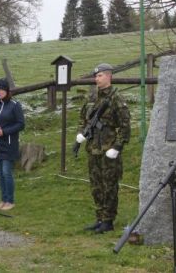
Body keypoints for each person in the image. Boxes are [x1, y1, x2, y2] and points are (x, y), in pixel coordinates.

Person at [76, 63, 131, 233]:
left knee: (109, 186)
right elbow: (83, 118)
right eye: (96, 76)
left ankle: (108, 220)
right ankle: (99, 217)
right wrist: (81, 134)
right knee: (96, 185)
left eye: (100, 76)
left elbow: (125, 125)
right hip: (93, 148)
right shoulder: (91, 97)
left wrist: (117, 146)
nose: (97, 79)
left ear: (108, 76)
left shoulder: (116, 98)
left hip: (108, 150)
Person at [0, 78, 25, 211]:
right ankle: (3, 200)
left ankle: (10, 200)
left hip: (9, 144)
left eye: (1, 89)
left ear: (7, 91)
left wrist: (5, 132)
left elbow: (21, 124)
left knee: (6, 172)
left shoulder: (15, 105)